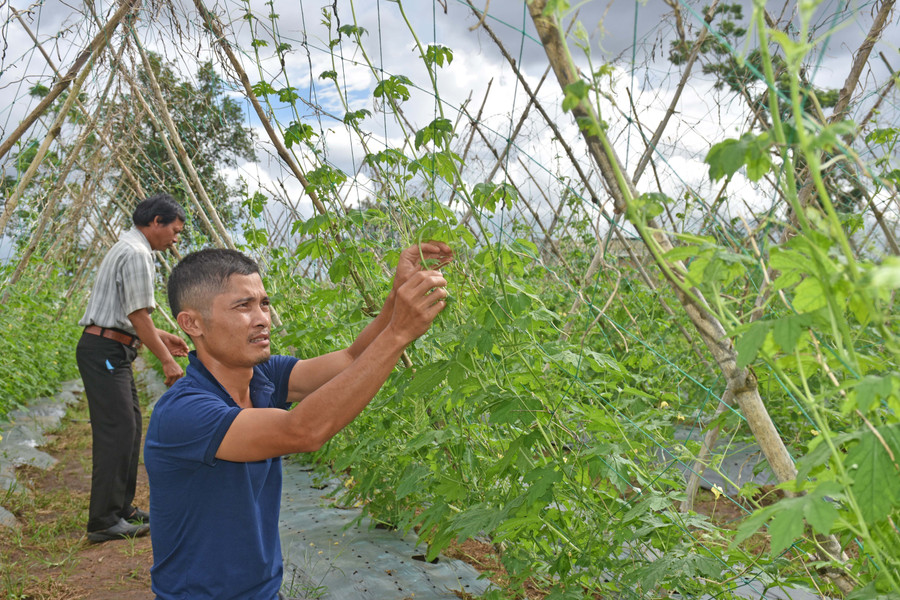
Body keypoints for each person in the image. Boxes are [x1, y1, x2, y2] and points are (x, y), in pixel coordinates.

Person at [143, 242, 452, 600]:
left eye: (264, 303)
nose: (262, 318)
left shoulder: (263, 376)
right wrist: (398, 333)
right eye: (243, 306)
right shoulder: (184, 412)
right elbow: (302, 431)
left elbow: (353, 358)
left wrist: (396, 300)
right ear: (191, 323)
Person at [76, 193, 190, 544]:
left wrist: (164, 336)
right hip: (107, 350)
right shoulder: (138, 253)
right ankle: (103, 520)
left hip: (111, 347)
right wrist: (166, 358)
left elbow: (130, 314)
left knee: (130, 425)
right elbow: (137, 315)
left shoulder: (127, 247)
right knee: (118, 427)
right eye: (174, 230)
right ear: (156, 221)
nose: (175, 239)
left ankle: (122, 509)